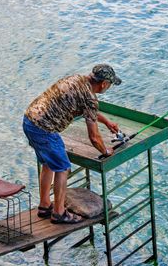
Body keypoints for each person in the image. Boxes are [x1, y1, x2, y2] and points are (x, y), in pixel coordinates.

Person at [22, 64, 122, 224]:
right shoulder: (89, 97)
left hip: (29, 121)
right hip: (45, 129)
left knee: (49, 164)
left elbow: (89, 111)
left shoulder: (77, 79)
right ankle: (59, 213)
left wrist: (107, 122)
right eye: (109, 85)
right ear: (104, 84)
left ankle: (44, 206)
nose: (108, 87)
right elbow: (94, 137)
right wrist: (106, 151)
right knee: (63, 168)